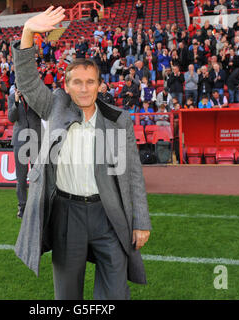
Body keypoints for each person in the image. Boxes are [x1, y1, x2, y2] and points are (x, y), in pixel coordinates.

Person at [13, 6, 151, 300]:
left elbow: (133, 174)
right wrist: (28, 32)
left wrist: (141, 221)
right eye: (77, 82)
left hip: (108, 213)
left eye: (90, 82)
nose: (84, 88)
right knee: (67, 293)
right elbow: (26, 82)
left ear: (100, 85)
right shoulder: (55, 106)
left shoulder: (118, 120)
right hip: (66, 214)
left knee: (115, 293)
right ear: (66, 85)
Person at [8, 87, 42, 219]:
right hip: (20, 140)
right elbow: (11, 118)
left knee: (37, 176)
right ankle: (22, 207)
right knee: (21, 178)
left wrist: (32, 98)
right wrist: (16, 102)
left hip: (35, 139)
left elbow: (44, 113)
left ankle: (36, 205)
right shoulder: (12, 97)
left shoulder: (36, 96)